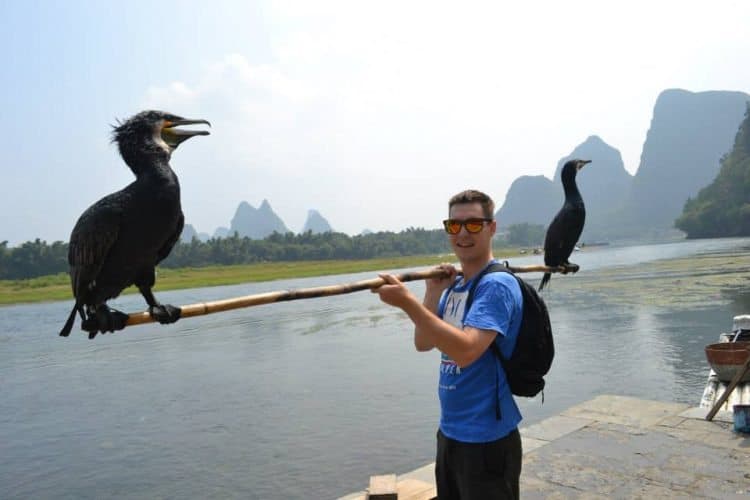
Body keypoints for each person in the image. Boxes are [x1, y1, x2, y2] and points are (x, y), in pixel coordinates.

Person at [373, 189, 524, 499]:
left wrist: (407, 303)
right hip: (451, 432)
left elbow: (467, 351)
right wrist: (431, 293)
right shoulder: (456, 286)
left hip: (486, 438)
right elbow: (424, 342)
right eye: (454, 226)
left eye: (473, 224)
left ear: (491, 228)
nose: (463, 234)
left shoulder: (496, 286)